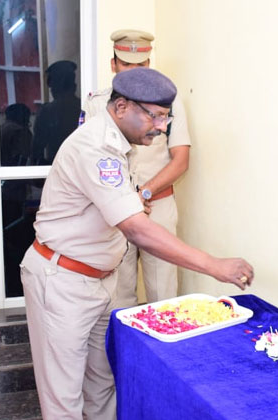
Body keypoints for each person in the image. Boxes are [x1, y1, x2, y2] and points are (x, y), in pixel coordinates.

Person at [20, 67, 254, 420]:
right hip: (62, 280)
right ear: (121, 107)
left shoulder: (118, 143)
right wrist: (214, 266)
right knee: (64, 398)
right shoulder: (96, 147)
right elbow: (138, 230)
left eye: (166, 117)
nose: (161, 127)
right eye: (155, 117)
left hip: (99, 280)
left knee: (102, 384)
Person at [82, 29, 191, 308]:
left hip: (158, 207)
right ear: (113, 65)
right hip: (115, 213)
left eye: (140, 65)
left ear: (149, 64)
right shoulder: (97, 103)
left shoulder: (170, 101)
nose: (133, 72)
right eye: (126, 64)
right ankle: (124, 353)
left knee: (164, 298)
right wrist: (125, 201)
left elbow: (181, 159)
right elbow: (87, 159)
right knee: (119, 296)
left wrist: (143, 194)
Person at [32, 60, 82, 164]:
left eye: (51, 85)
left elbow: (36, 150)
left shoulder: (47, 111)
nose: (51, 90)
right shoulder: (84, 107)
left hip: (57, 169)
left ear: (57, 84)